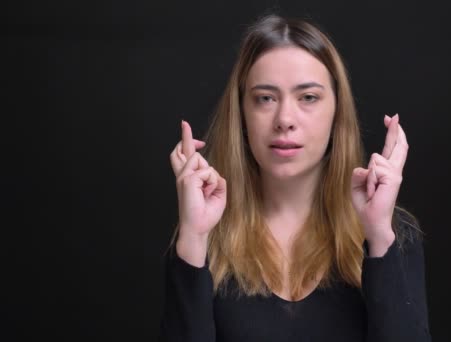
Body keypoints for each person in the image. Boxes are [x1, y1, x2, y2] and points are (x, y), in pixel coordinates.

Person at [159, 13, 431, 342]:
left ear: (337, 113)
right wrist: (193, 238)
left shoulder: (392, 234)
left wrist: (378, 235)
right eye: (265, 98)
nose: (285, 119)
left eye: (308, 97)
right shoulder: (204, 234)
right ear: (242, 115)